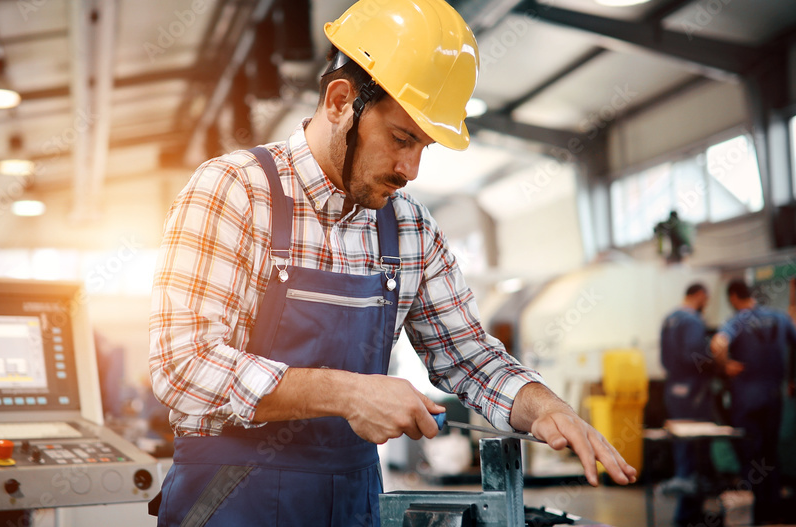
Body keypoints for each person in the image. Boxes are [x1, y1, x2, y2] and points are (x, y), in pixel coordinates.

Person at [149, 0, 636, 524]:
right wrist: (348, 393)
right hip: (228, 502)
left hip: (352, 506)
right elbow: (184, 365)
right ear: (340, 102)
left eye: (424, 147)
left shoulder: (409, 228)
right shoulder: (233, 191)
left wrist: (546, 408)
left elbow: (468, 354)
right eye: (402, 138)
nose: (411, 169)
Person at [711, 278, 796, 525]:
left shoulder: (738, 320)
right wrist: (794, 318)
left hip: (746, 400)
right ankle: (771, 511)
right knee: (770, 454)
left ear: (733, 297)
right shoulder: (780, 318)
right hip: (773, 398)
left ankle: (751, 513)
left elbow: (717, 343)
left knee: (750, 456)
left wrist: (724, 366)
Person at [660, 283, 714, 526]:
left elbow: (664, 357)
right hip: (693, 390)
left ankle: (686, 515)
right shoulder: (692, 321)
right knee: (695, 451)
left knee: (682, 448)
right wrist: (717, 362)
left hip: (673, 388)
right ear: (700, 295)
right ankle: (687, 517)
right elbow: (694, 354)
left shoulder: (670, 318)